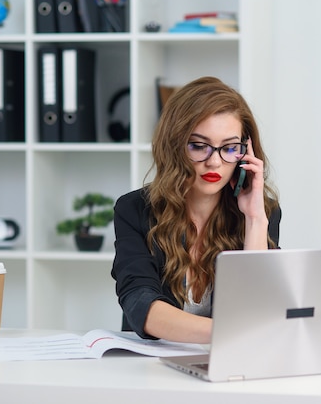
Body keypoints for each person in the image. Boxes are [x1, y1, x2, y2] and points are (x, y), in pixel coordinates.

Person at [111, 76, 281, 344]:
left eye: (229, 148)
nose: (214, 161)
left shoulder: (261, 212)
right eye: (199, 146)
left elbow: (257, 305)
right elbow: (140, 303)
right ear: (175, 146)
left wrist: (255, 219)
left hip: (229, 360)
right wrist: (230, 332)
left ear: (245, 152)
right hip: (153, 365)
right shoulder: (135, 210)